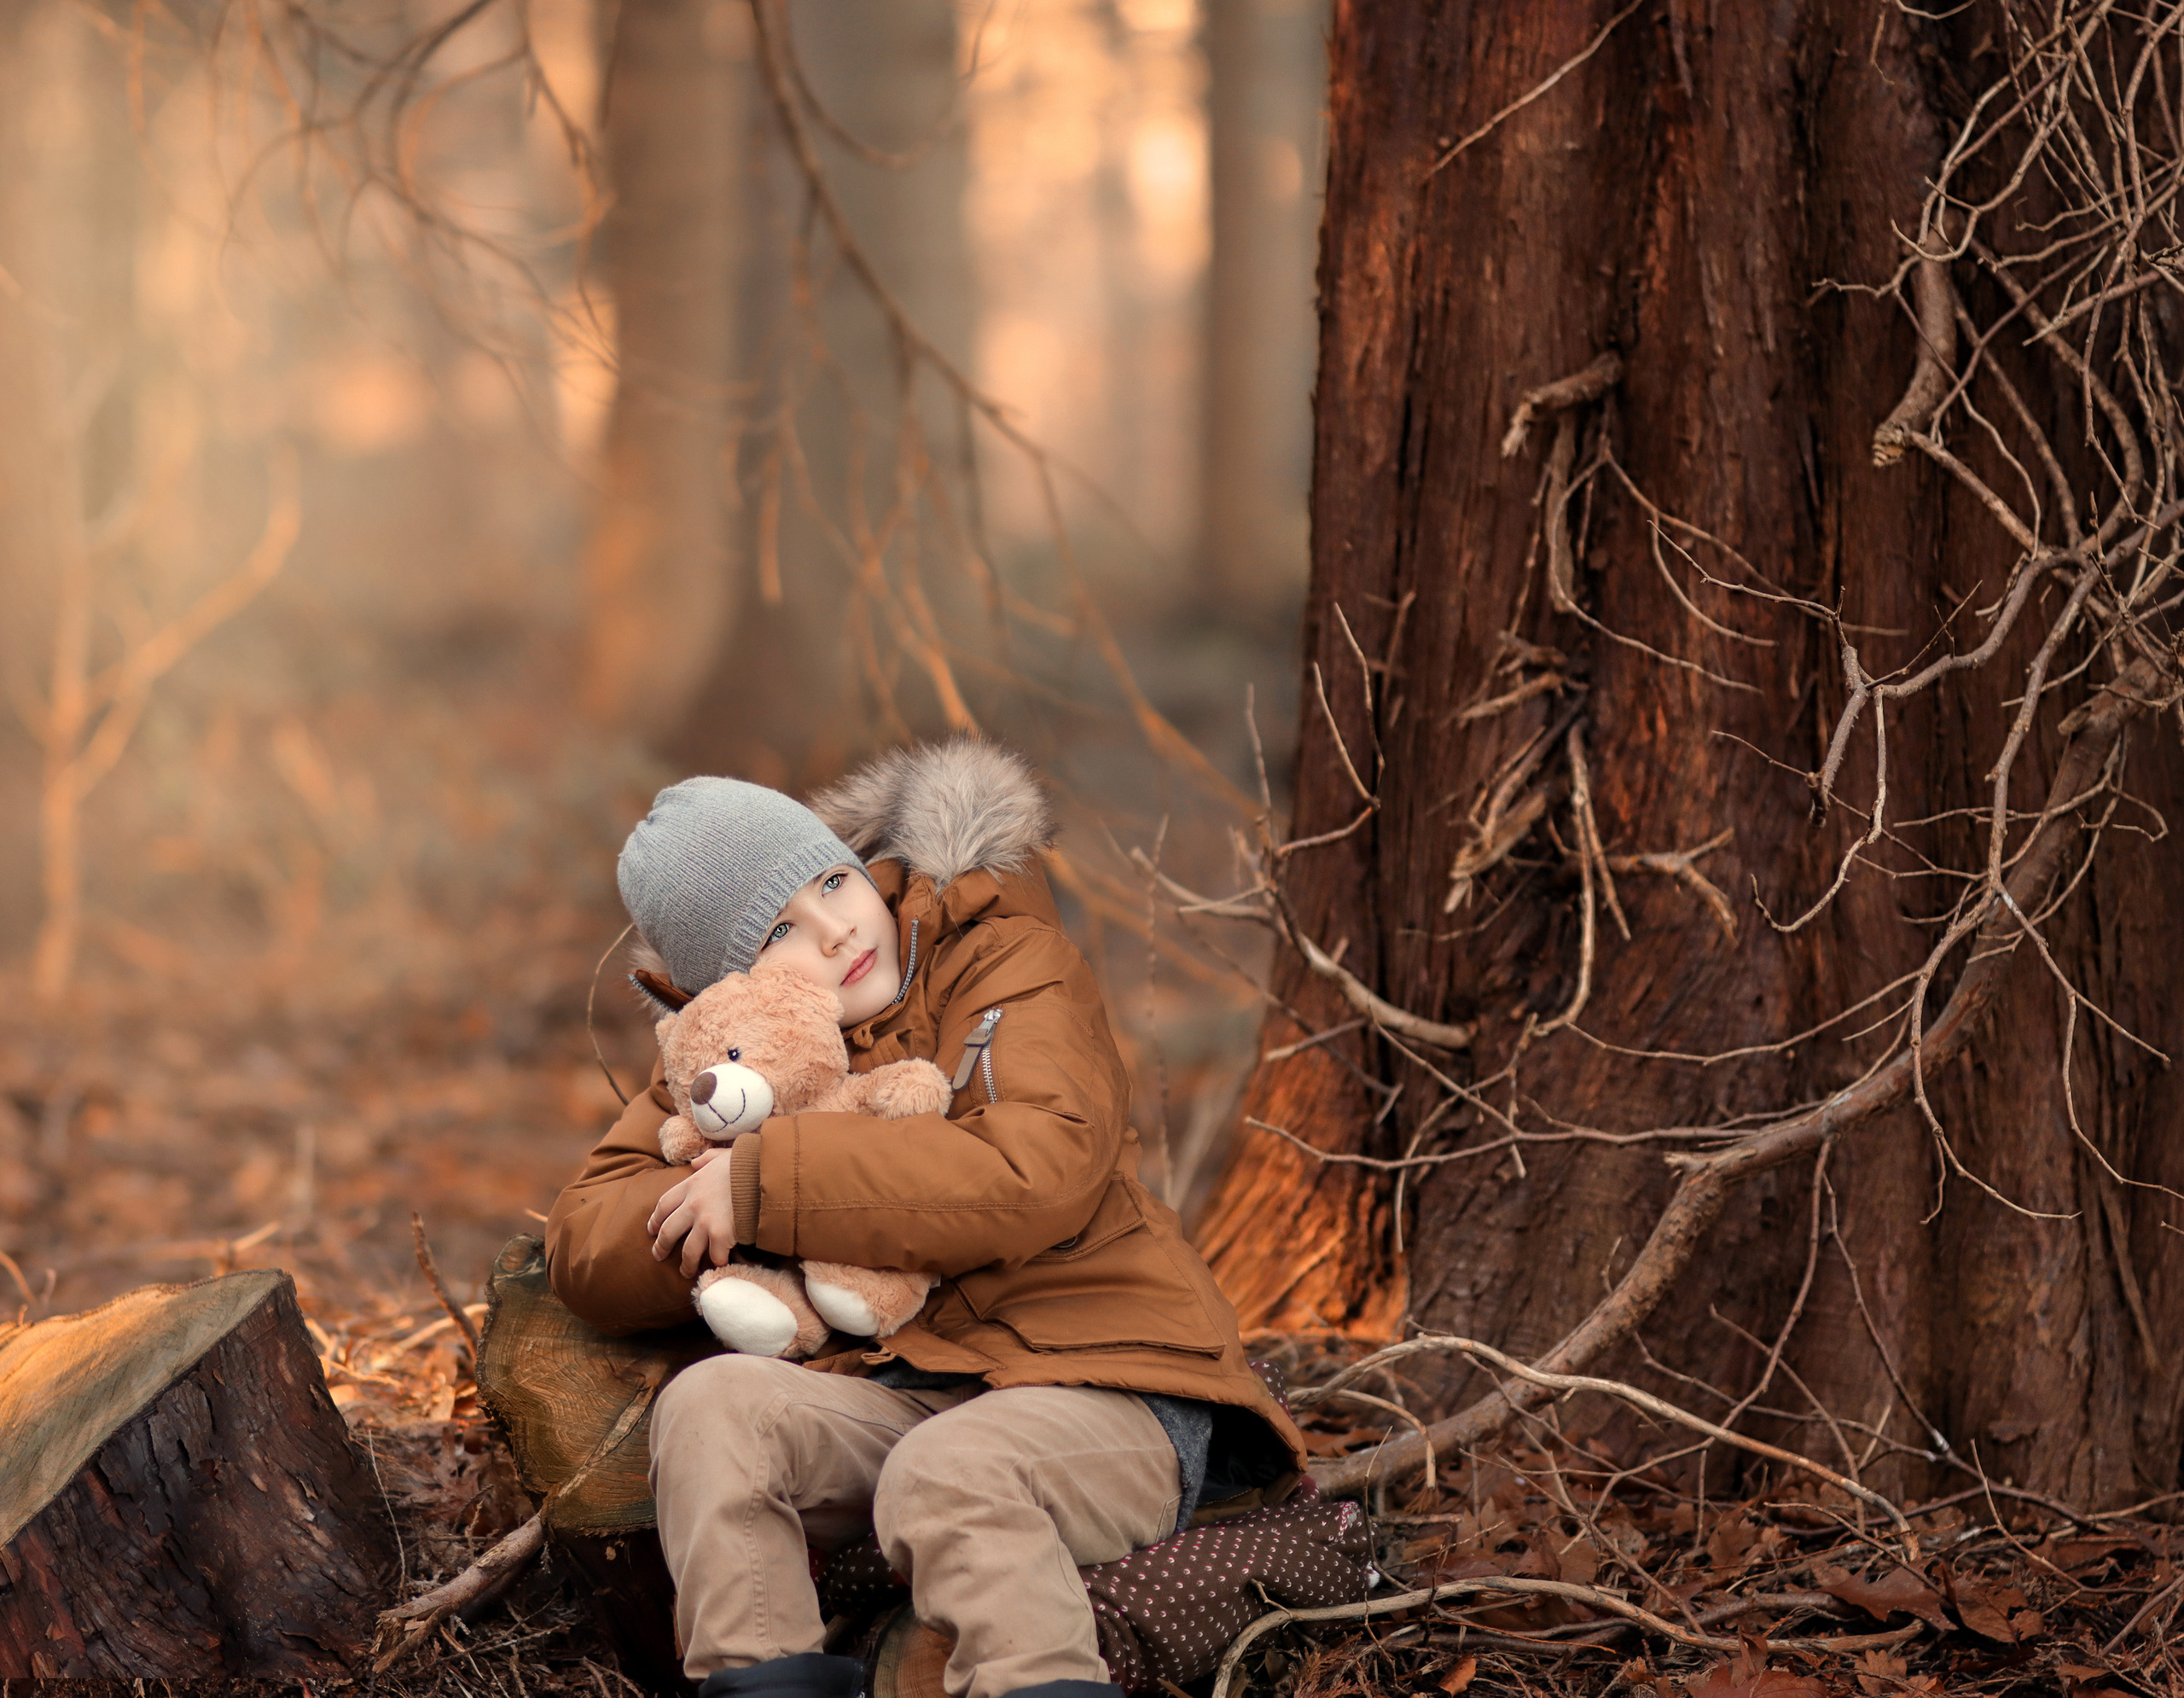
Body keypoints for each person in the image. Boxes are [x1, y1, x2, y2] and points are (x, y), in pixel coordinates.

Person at [547, 737, 1306, 1698]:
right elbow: (585, 1235)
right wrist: (711, 1189)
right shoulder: (743, 1058)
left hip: (1108, 1378)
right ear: (730, 992)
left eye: (834, 879)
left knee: (950, 1469)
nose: (835, 930)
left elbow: (1036, 1169)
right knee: (713, 1409)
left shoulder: (1002, 959)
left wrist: (765, 1185)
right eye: (779, 932)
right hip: (907, 1393)